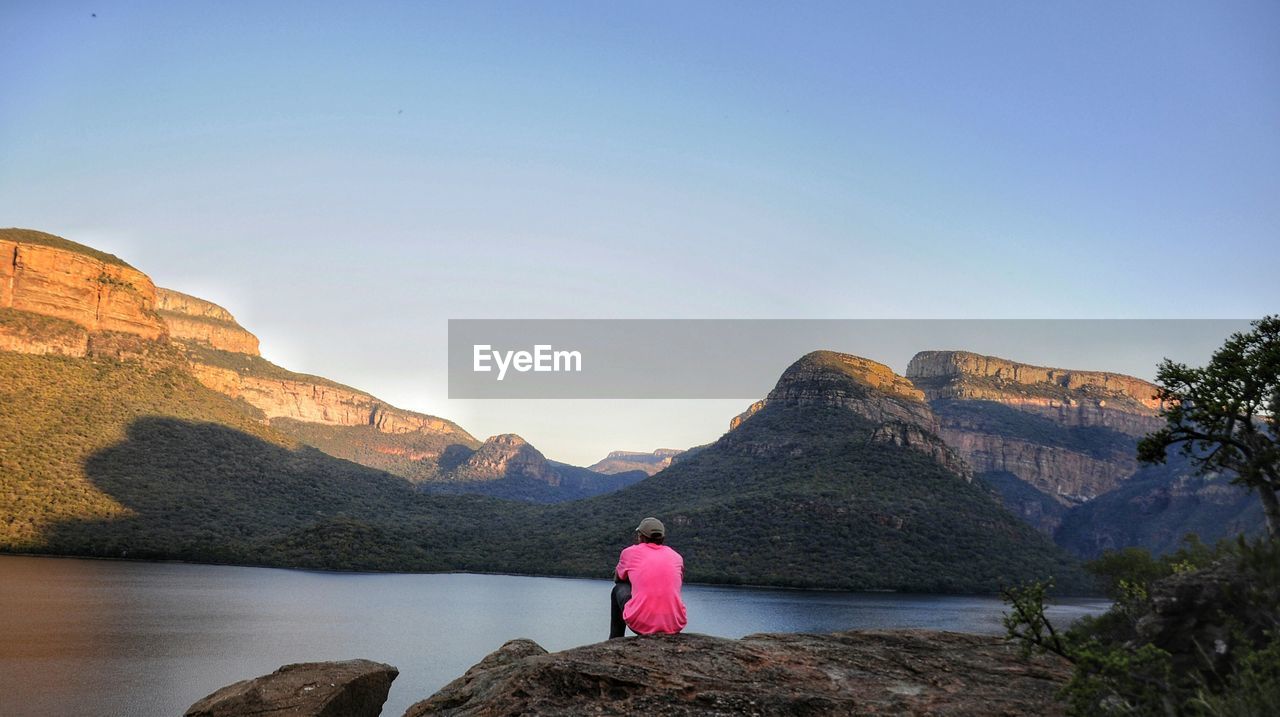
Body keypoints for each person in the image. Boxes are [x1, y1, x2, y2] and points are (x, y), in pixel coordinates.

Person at [610, 516, 687, 639]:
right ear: (662, 538)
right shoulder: (676, 557)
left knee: (618, 588)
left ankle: (615, 638)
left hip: (642, 624)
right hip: (674, 623)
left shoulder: (629, 553)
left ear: (641, 537)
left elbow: (618, 578)